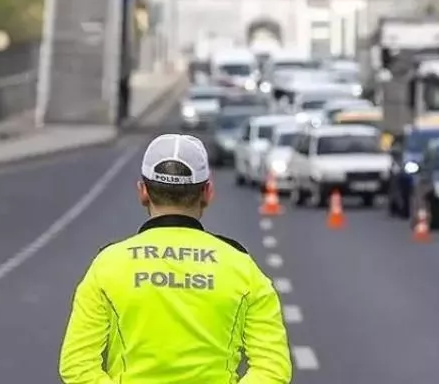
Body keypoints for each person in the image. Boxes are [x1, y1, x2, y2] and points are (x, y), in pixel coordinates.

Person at [59, 134, 293, 384]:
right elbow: (272, 369)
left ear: (143, 192)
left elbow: (77, 365)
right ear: (207, 193)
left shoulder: (108, 266)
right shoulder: (242, 268)